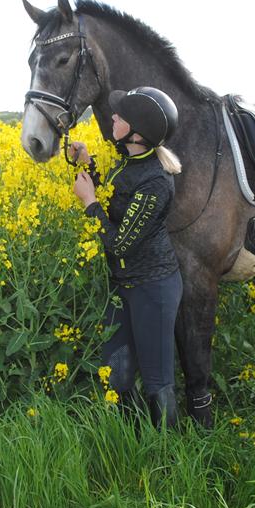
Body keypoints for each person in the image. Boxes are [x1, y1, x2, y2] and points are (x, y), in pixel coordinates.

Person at [67, 86, 183, 428]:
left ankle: (168, 454)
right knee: (115, 372)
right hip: (124, 285)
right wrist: (89, 163)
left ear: (136, 131)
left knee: (156, 380)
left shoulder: (156, 182)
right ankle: (127, 443)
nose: (113, 116)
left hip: (153, 288)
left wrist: (89, 203)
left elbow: (119, 243)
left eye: (121, 115)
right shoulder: (129, 164)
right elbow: (118, 198)